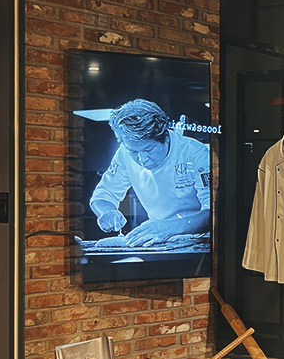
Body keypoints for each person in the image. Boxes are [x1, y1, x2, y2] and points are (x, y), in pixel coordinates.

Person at [90, 99, 211, 248]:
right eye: (133, 151)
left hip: (200, 240)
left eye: (148, 149)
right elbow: (103, 195)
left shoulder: (195, 153)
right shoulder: (124, 153)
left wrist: (169, 228)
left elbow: (212, 212)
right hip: (157, 239)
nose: (142, 159)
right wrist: (107, 212)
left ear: (164, 137)